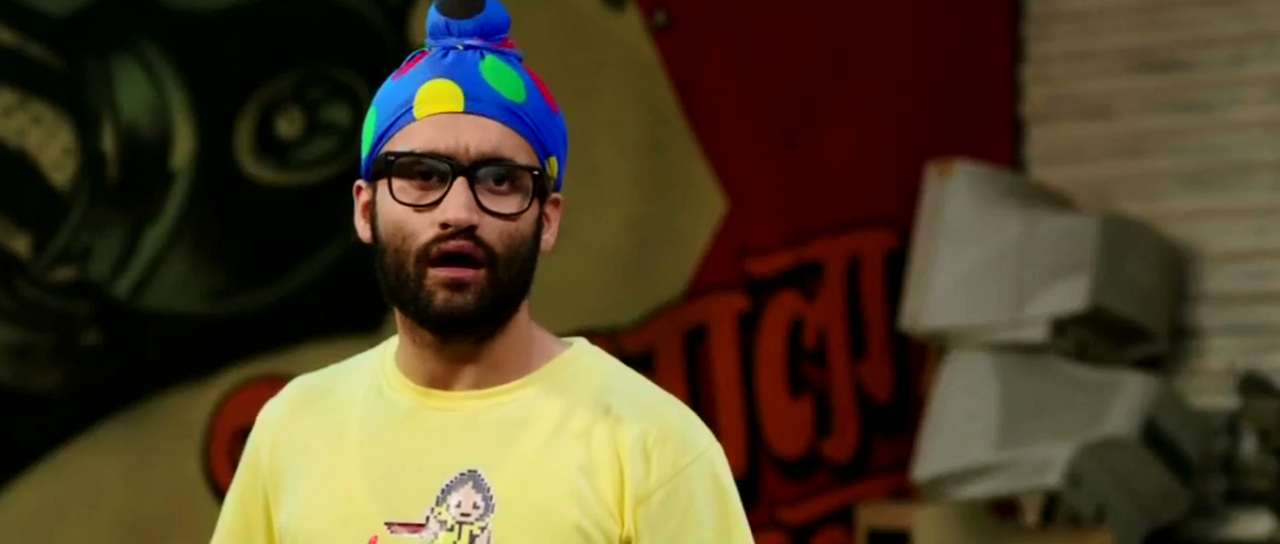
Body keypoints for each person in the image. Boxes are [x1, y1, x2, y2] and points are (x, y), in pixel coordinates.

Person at [208, 0, 753, 542]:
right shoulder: (291, 432)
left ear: (547, 220)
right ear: (365, 209)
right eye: (422, 175)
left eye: (499, 181)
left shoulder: (655, 446)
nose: (459, 212)